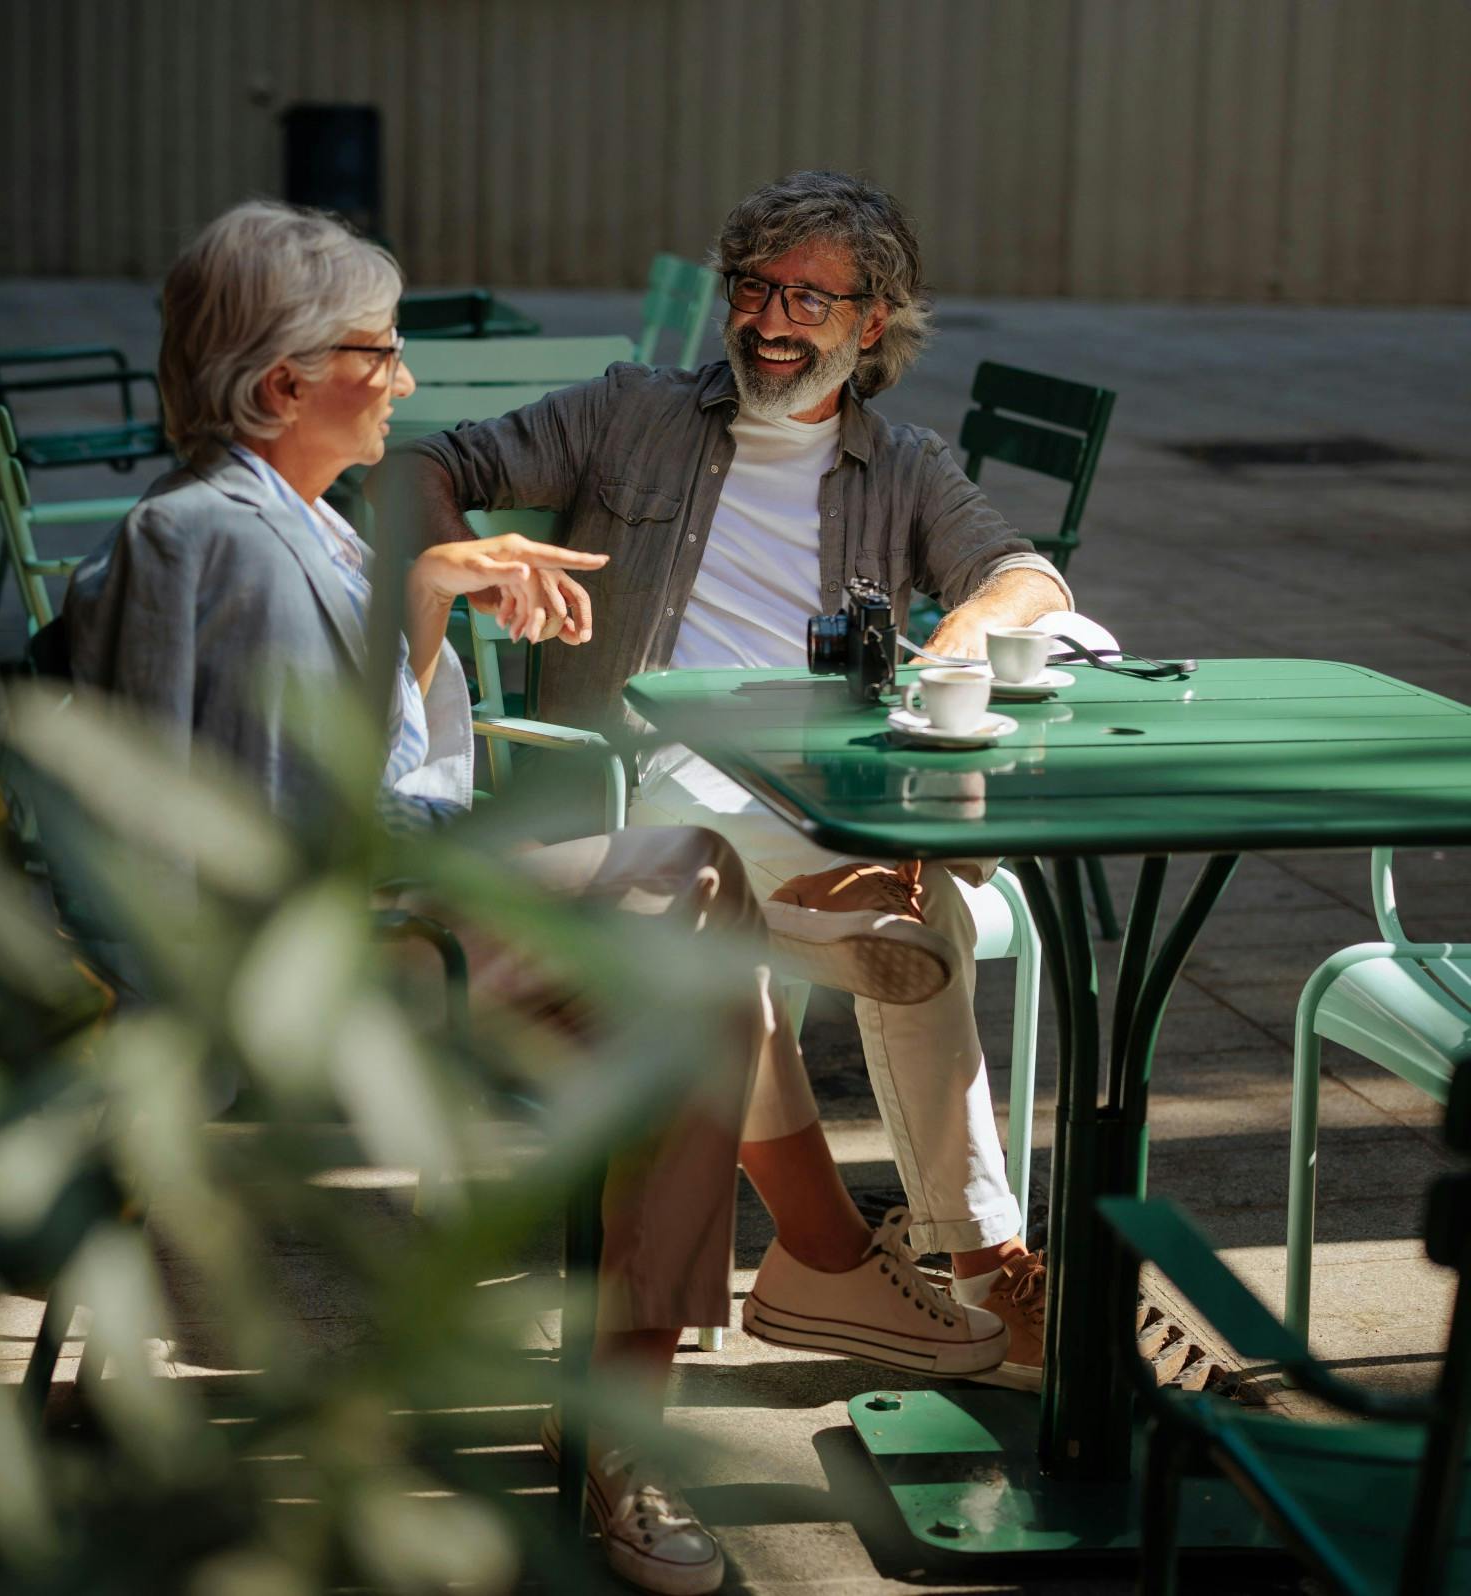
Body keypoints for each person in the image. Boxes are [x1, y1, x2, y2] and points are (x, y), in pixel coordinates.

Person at [63, 200, 1005, 1596]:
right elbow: (260, 848)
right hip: (310, 976)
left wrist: (432, 596)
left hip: (385, 917)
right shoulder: (228, 547)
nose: (409, 381)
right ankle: (664, 1398)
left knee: (691, 954)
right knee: (688, 910)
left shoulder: (288, 528)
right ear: (282, 386)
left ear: (872, 327)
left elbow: (364, 772)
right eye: (382, 354)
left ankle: (723, 1325)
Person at [370, 171, 1075, 1390]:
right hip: (631, 789)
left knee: (929, 925)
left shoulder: (903, 465)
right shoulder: (630, 411)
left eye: (809, 295)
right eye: (752, 286)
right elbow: (424, 461)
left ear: (872, 322)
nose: (769, 318)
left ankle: (972, 1258)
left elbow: (1027, 577)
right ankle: (970, 1258)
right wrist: (453, 554)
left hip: (807, 794)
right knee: (897, 912)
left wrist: (965, 630)